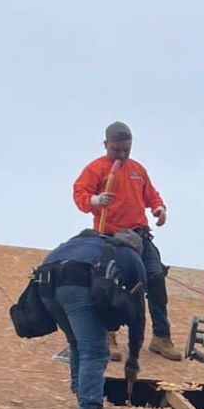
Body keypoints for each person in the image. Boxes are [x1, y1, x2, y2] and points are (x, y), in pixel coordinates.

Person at [74, 121, 180, 360]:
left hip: (139, 235)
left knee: (155, 280)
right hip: (110, 237)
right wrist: (96, 200)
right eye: (116, 150)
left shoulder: (137, 169)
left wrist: (159, 208)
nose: (121, 155)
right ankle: (108, 335)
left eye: (125, 150)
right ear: (105, 145)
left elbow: (150, 194)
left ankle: (162, 337)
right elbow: (80, 193)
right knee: (113, 285)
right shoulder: (96, 169)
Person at [35, 227, 147, 409]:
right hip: (74, 282)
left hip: (44, 282)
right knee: (95, 352)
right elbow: (139, 315)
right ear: (136, 247)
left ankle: (84, 401)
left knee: (78, 343)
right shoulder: (131, 256)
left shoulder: (91, 245)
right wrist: (133, 357)